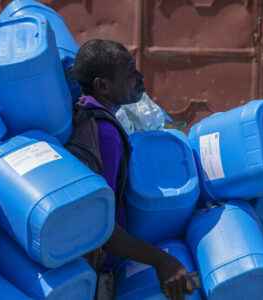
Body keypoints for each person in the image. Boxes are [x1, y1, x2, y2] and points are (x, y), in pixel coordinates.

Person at [67, 39, 193, 300]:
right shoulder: (105, 133)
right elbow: (102, 228)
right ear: (103, 86)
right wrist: (162, 262)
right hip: (94, 274)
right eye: (129, 72)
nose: (139, 77)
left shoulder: (87, 113)